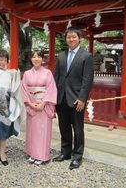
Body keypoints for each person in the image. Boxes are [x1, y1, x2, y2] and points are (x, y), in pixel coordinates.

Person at [53, 26, 94, 170]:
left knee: (77, 129)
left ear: (79, 38)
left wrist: (82, 98)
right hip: (61, 97)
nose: (71, 39)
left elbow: (88, 79)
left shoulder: (86, 56)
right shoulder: (61, 56)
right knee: (63, 127)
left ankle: (77, 156)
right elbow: (56, 77)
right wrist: (53, 97)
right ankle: (65, 152)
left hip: (77, 99)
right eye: (68, 37)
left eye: (74, 37)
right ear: (66, 39)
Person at [22, 50, 57, 165]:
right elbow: (24, 90)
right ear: (31, 59)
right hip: (32, 105)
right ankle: (32, 154)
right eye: (34, 57)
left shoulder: (48, 73)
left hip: (44, 106)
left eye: (38, 57)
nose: (36, 59)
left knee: (43, 131)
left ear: (42, 59)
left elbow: (51, 89)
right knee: (32, 131)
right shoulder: (26, 74)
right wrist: (30, 104)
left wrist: (43, 103)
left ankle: (42, 156)